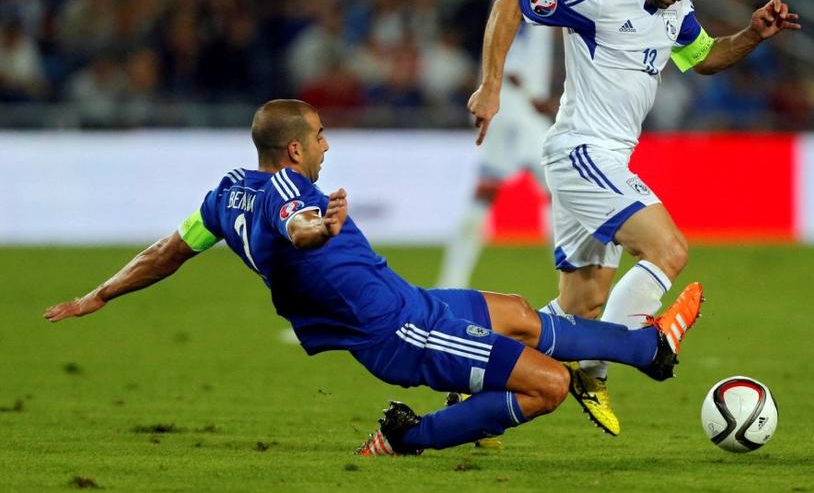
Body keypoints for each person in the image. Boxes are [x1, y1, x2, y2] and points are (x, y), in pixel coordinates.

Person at [44, 99, 704, 455]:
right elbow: (297, 226)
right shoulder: (287, 191)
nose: (327, 144)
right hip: (397, 331)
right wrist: (318, 229)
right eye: (320, 135)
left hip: (406, 301)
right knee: (549, 384)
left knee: (520, 314)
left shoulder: (225, 196)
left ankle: (647, 349)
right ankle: (409, 437)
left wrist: (100, 293)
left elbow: (166, 250)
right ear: (295, 149)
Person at [467, 0, 800, 436]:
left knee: (581, 307)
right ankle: (596, 371)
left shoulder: (675, 13)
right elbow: (510, 6)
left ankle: (475, 378)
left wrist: (753, 34)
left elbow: (704, 57)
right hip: (582, 152)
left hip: (608, 162)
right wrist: (491, 86)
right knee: (669, 250)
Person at [436, 0, 566, 289]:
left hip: (521, 111)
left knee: (550, 190)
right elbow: (503, 52)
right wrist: (535, 95)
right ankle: (569, 280)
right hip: (513, 110)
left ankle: (452, 281)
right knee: (549, 190)